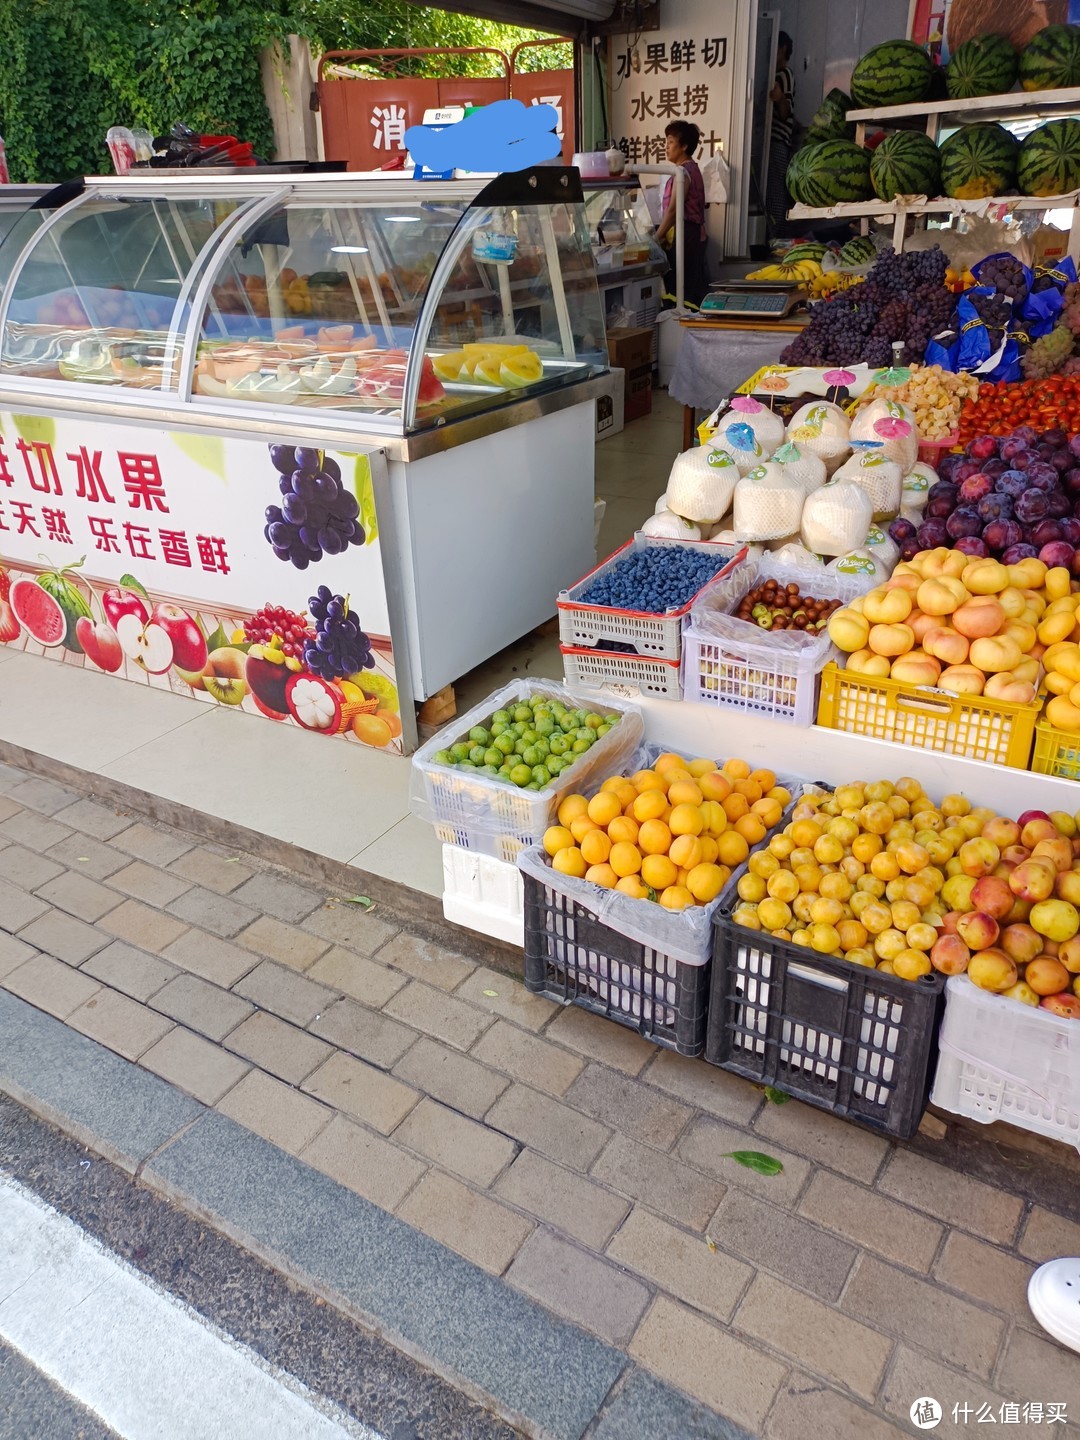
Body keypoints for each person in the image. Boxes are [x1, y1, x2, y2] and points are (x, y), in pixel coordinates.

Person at [656, 120, 708, 307]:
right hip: (687, 233)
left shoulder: (684, 172)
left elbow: (673, 211)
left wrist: (656, 238)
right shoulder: (687, 169)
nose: (666, 147)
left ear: (684, 145)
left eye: (670, 142)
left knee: (682, 289)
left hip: (686, 234)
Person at [766, 30, 795, 236]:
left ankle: (776, 236)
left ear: (783, 48)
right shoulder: (774, 75)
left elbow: (786, 112)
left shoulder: (783, 74)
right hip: (774, 141)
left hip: (777, 140)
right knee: (773, 190)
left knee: (776, 191)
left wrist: (778, 99)